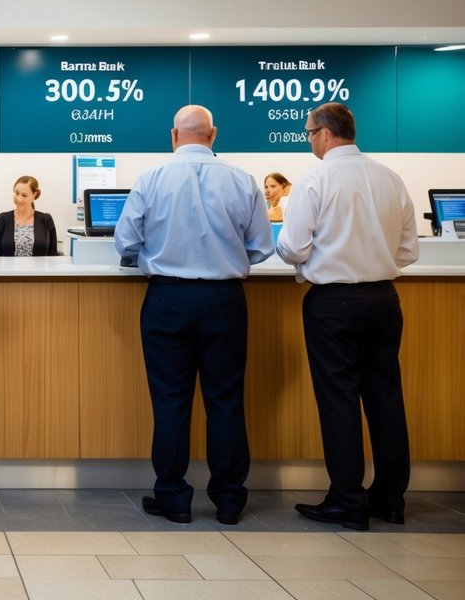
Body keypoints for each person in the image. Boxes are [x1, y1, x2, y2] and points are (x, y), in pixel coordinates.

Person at [114, 105, 273, 525]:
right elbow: (260, 247)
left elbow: (125, 241)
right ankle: (229, 499)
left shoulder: (151, 178)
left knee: (170, 401)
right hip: (225, 300)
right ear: (213, 134)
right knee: (226, 401)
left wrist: (150, 255)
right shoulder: (243, 180)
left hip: (168, 300)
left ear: (173, 135)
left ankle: (173, 497)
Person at [278, 102, 418, 531]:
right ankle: (391, 499)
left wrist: (308, 264)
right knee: (386, 398)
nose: (309, 142)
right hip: (383, 300)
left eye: (307, 134)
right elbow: (408, 251)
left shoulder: (316, 180)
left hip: (333, 303)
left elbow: (291, 247)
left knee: (339, 400)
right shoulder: (390, 178)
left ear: (324, 133)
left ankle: (346, 500)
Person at [0, 175, 59, 256]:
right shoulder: (2, 219)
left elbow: (53, 257)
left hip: (39, 269)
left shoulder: (46, 219)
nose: (19, 199)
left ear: (34, 195)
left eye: (24, 195)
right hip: (8, 269)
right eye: (17, 193)